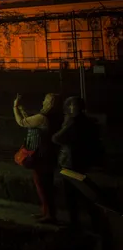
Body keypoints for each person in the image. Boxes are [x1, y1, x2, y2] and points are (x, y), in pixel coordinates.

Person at [52, 96, 103, 229]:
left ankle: (75, 221)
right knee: (83, 189)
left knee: (71, 192)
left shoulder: (72, 122)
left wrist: (64, 124)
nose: (69, 108)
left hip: (69, 162)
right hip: (82, 161)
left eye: (71, 105)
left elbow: (56, 138)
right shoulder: (88, 121)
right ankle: (95, 220)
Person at [13, 92, 63, 224]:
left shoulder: (43, 118)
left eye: (45, 100)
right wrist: (22, 109)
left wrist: (14, 108)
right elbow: (31, 122)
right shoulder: (56, 117)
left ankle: (50, 215)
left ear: (50, 103)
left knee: (42, 185)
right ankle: (46, 212)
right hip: (49, 154)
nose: (42, 103)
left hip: (42, 155)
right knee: (45, 184)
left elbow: (23, 123)